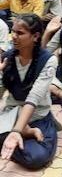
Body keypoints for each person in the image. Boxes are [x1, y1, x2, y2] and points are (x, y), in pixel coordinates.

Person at [0, 14, 58, 170]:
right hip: (11, 113)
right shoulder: (7, 57)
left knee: (35, 158)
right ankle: (23, 135)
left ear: (35, 36)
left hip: (37, 116)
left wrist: (17, 130)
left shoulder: (48, 60)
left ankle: (17, 134)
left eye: (20, 33)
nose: (14, 37)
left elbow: (34, 97)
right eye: (13, 32)